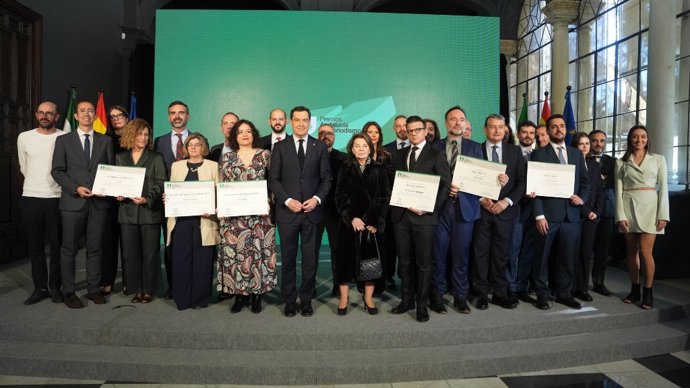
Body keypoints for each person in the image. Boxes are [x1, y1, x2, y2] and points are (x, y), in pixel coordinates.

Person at [268, 106, 332, 317]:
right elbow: (273, 179)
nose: (301, 124)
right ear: (290, 122)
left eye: (305, 120)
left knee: (309, 260)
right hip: (288, 214)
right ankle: (288, 299)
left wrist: (316, 199)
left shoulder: (319, 146)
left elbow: (326, 179)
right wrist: (286, 200)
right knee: (287, 259)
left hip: (312, 213)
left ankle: (306, 299)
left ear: (310, 122)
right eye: (297, 120)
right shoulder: (280, 147)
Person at [51, 100, 114, 308]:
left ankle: (93, 290)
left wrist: (109, 189)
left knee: (95, 249)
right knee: (68, 249)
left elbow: (110, 171)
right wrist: (75, 188)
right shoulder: (63, 140)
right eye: (82, 111)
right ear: (76, 116)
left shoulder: (105, 141)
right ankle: (69, 292)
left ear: (95, 116)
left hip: (98, 203)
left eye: (90, 111)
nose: (87, 114)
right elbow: (57, 171)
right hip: (72, 202)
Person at [390, 116, 450, 322]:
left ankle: (421, 305)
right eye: (410, 130)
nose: (413, 133)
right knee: (405, 262)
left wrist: (429, 207)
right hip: (402, 217)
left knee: (424, 264)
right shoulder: (399, 155)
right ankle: (406, 300)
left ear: (426, 131)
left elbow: (445, 187)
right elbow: (393, 184)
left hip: (425, 219)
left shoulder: (437, 155)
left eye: (417, 130)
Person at [530, 114, 590, 310]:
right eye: (553, 127)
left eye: (562, 126)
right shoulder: (539, 154)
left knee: (567, 256)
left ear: (566, 129)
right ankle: (542, 294)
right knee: (542, 257)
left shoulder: (576, 154)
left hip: (571, 216)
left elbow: (585, 183)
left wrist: (582, 198)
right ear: (547, 131)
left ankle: (564, 293)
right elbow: (534, 188)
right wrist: (539, 215)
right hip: (547, 216)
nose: (558, 130)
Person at [218, 119, 276, 313]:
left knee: (258, 254)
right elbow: (222, 186)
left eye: (248, 131)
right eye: (240, 131)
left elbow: (273, 182)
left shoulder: (265, 155)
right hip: (234, 219)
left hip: (259, 218)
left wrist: (270, 200)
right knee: (237, 255)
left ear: (254, 134)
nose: (245, 134)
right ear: (235, 135)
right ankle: (240, 295)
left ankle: (257, 294)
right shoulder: (227, 158)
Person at [430, 106, 482, 314]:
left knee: (461, 256)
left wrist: (497, 180)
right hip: (440, 209)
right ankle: (438, 295)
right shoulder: (434, 147)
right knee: (438, 254)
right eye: (453, 119)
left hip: (465, 210)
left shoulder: (475, 147)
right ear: (446, 123)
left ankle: (461, 296)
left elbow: (482, 177)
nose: (457, 122)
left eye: (461, 119)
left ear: (465, 123)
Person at [471, 114, 526, 310]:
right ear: (485, 130)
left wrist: (506, 201)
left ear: (505, 130)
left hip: (505, 211)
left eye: (500, 127)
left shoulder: (515, 151)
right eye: (492, 127)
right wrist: (482, 200)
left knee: (502, 254)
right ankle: (481, 294)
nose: (496, 131)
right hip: (481, 211)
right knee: (481, 253)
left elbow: (522, 182)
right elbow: (468, 179)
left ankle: (500, 293)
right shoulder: (474, 149)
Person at [334, 133, 390, 315]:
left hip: (371, 226)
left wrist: (375, 222)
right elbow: (340, 195)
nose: (360, 149)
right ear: (351, 148)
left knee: (370, 264)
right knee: (343, 262)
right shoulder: (345, 167)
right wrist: (351, 218)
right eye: (357, 146)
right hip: (349, 224)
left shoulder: (380, 169)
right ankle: (344, 298)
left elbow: (384, 197)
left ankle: (368, 298)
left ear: (370, 148)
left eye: (364, 146)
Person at [615, 125, 669, 310]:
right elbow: (618, 190)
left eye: (643, 137)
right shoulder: (621, 162)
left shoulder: (658, 160)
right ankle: (634, 289)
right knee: (631, 250)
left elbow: (663, 189)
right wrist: (620, 215)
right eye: (635, 137)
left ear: (648, 139)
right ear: (630, 139)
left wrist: (664, 215)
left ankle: (648, 291)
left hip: (651, 208)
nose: (639, 140)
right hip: (628, 206)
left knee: (646, 251)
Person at [17, 101, 66, 305]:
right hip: (30, 197)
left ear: (56, 116)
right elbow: (23, 167)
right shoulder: (24, 137)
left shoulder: (64, 137)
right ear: (37, 115)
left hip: (56, 198)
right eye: (41, 113)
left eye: (49, 113)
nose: (45, 116)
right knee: (35, 247)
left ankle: (55, 287)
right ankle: (40, 287)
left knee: (56, 247)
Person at [115, 118, 166, 304]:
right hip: (127, 212)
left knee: (150, 254)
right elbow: (116, 182)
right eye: (140, 134)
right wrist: (117, 194)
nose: (143, 138)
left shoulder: (156, 157)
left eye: (146, 134)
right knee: (130, 254)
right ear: (131, 134)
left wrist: (148, 198)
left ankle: (149, 289)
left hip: (148, 212)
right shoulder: (120, 157)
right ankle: (136, 288)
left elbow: (161, 183)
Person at [166, 133, 219, 310]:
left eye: (198, 144)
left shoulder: (213, 166)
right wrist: (168, 197)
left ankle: (199, 299)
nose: (194, 147)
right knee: (181, 261)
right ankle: (182, 299)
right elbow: (173, 188)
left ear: (203, 147)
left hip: (204, 222)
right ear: (186, 148)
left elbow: (219, 193)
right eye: (191, 145)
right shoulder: (176, 166)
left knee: (203, 262)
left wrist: (213, 210)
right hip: (180, 222)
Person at [154, 100, 193, 299]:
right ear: (169, 117)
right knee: (169, 245)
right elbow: (155, 171)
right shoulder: (158, 142)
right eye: (173, 113)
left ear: (188, 116)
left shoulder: (197, 141)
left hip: (192, 202)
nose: (177, 116)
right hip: (166, 202)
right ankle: (173, 286)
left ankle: (192, 284)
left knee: (190, 244)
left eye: (181, 112)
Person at [571, 132, 604, 302]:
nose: (584, 146)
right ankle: (569, 287)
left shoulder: (594, 165)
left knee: (585, 254)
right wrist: (585, 211)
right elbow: (572, 192)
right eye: (580, 144)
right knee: (571, 253)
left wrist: (596, 212)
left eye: (586, 143)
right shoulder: (570, 164)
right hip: (575, 213)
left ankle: (582, 288)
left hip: (592, 217)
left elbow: (599, 191)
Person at [100, 105, 130, 296]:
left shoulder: (138, 139)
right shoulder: (104, 140)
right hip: (110, 200)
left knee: (129, 244)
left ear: (127, 118)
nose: (116, 119)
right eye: (112, 117)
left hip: (131, 199)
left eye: (119, 115)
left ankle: (130, 282)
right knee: (108, 242)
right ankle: (107, 281)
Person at [362, 121, 395, 290]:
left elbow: (390, 184)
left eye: (376, 132)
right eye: (370, 131)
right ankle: (364, 281)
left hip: (383, 210)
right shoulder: (357, 154)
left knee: (383, 246)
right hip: (362, 211)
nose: (373, 135)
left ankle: (382, 281)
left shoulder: (387, 156)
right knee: (364, 248)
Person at [509, 121, 539, 304]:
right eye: (524, 132)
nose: (528, 136)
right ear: (518, 135)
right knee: (513, 249)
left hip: (535, 207)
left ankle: (522, 287)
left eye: (531, 133)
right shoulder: (510, 152)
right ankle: (511, 286)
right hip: (516, 206)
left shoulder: (540, 154)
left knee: (528, 250)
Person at [315, 123, 346, 296]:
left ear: (334, 137)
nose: (325, 136)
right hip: (314, 210)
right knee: (312, 251)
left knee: (338, 250)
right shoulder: (309, 157)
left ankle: (338, 283)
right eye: (321, 133)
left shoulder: (343, 158)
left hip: (336, 212)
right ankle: (309, 284)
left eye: (329, 133)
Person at [589, 129, 616, 296]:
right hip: (586, 210)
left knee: (602, 250)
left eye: (602, 141)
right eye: (594, 140)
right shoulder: (582, 158)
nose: (598, 144)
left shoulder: (613, 162)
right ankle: (578, 283)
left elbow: (612, 181)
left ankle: (599, 282)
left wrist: (597, 179)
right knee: (583, 249)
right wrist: (601, 178)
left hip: (606, 211)